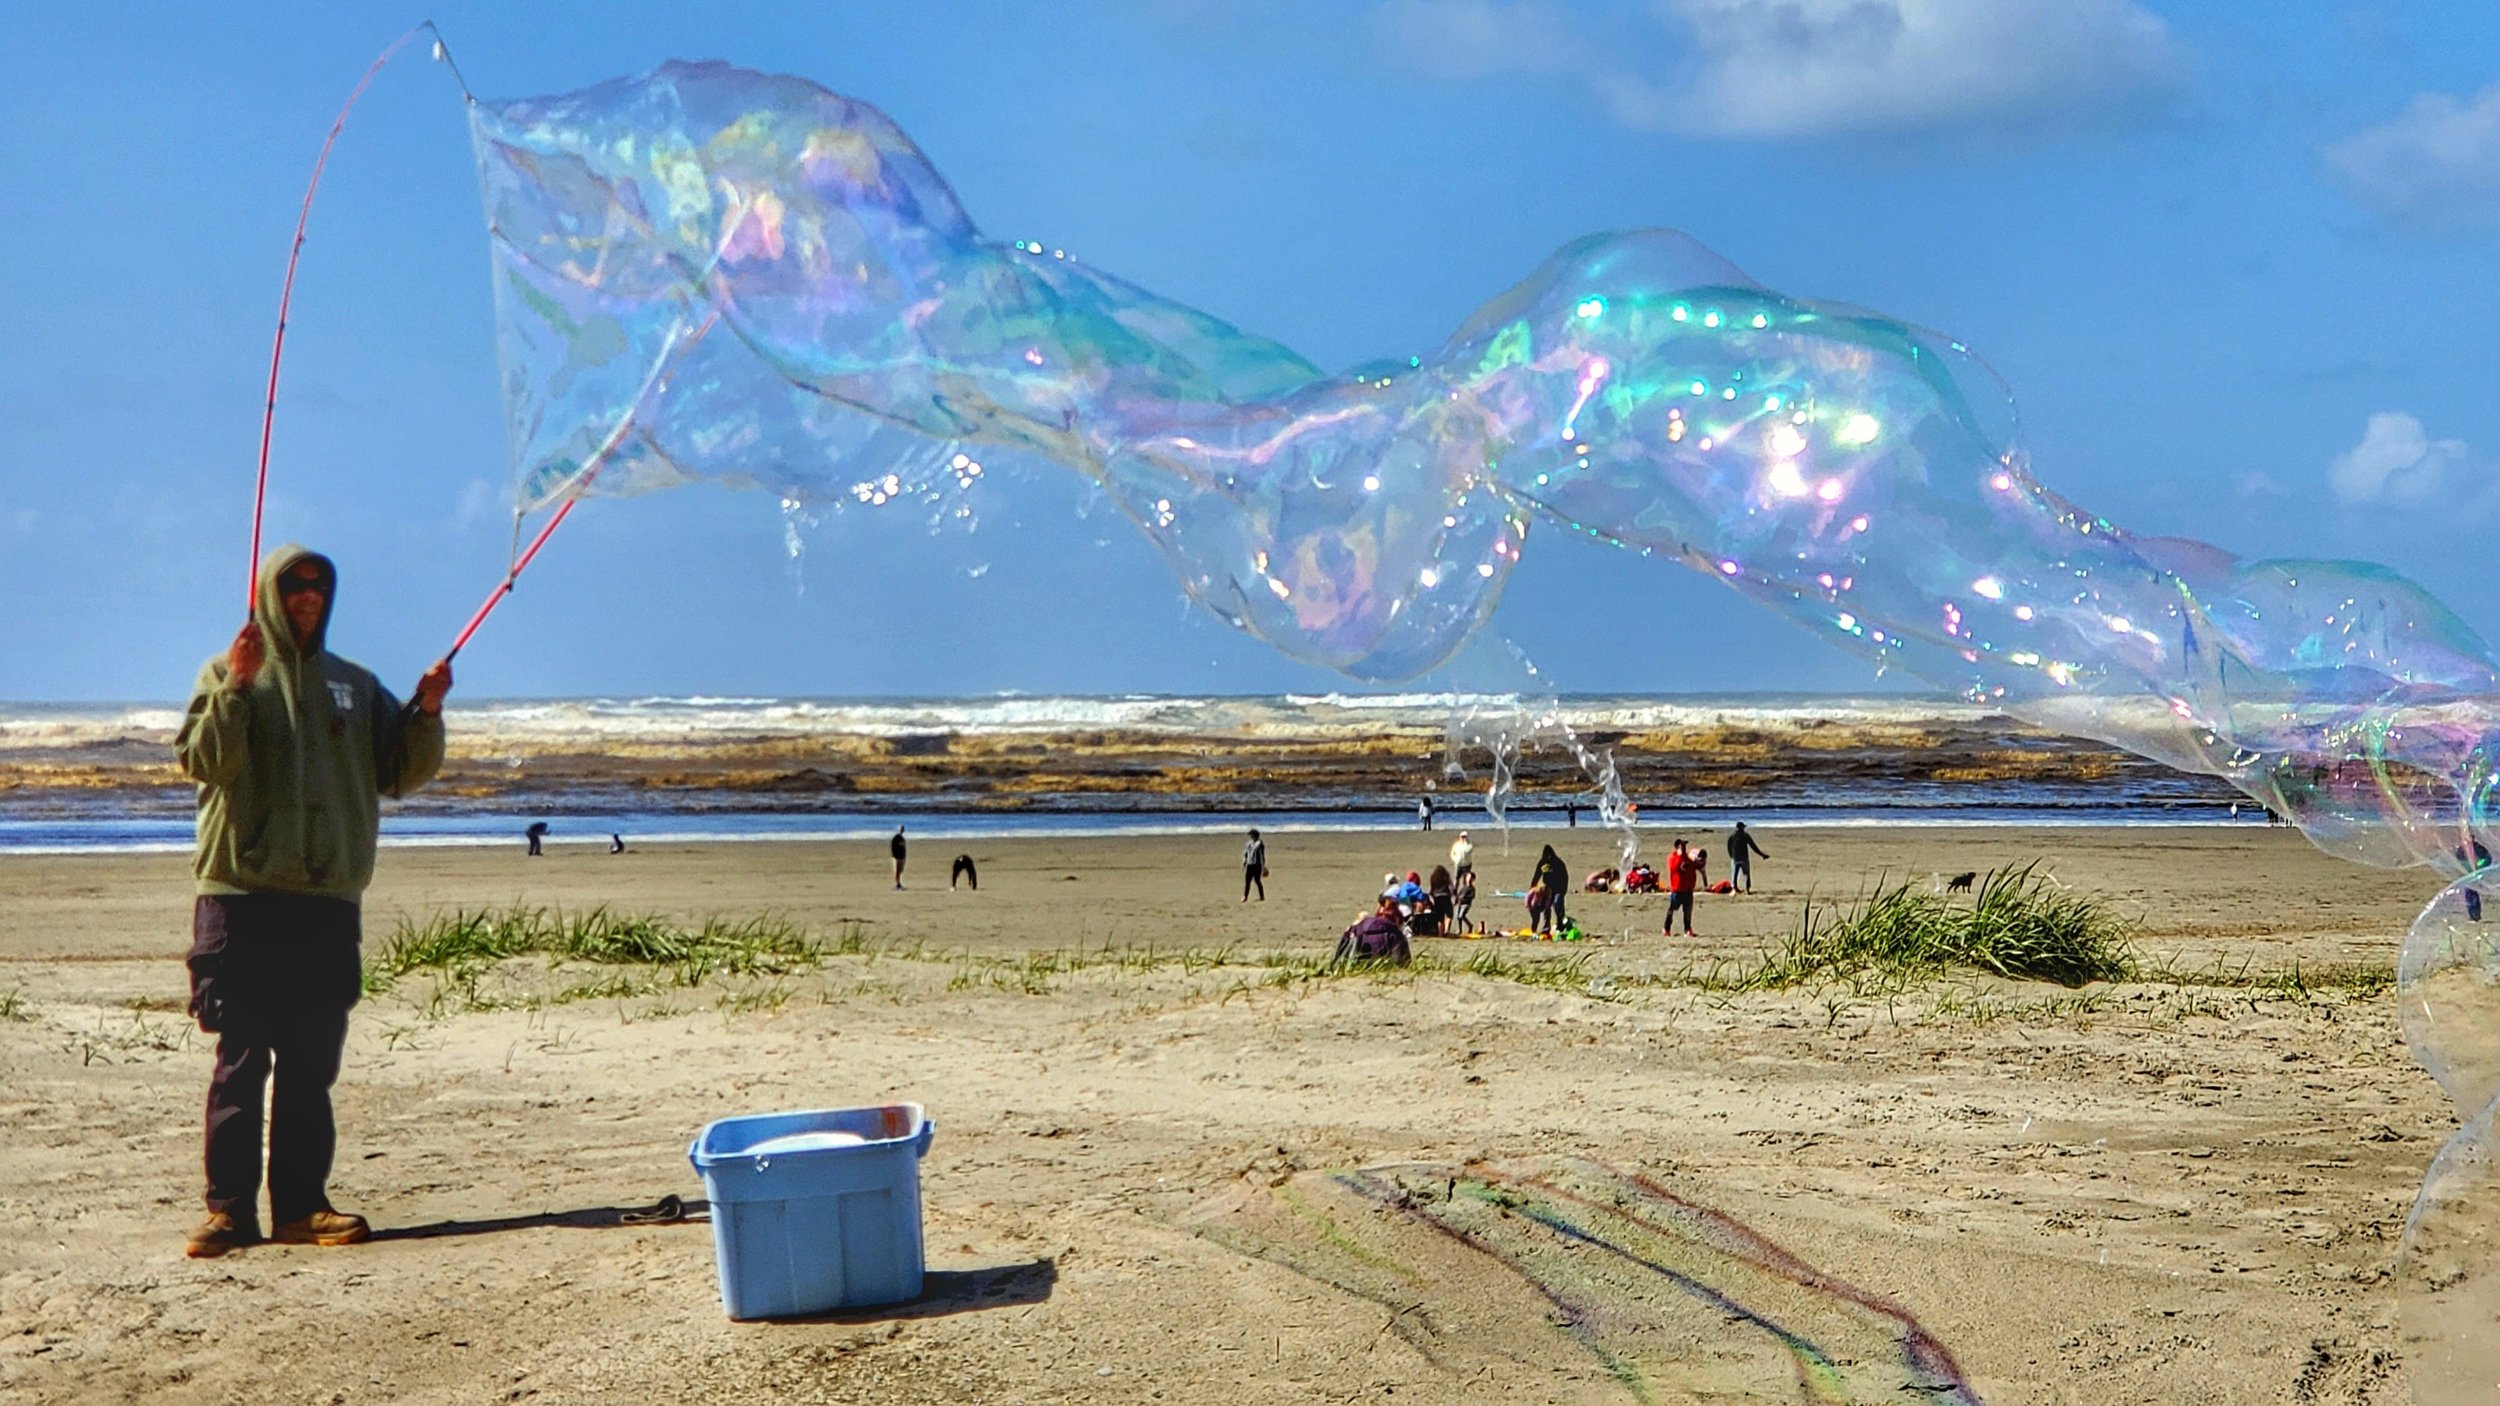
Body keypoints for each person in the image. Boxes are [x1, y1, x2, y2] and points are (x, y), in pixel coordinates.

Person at [174, 546, 450, 1259]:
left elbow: (399, 773)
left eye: (319, 584)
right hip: (241, 894)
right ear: (270, 592)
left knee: (308, 1065)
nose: (308, 595)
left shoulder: (353, 686)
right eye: (294, 584)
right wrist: (237, 688)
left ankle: (301, 1208)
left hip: (326, 900)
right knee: (240, 1062)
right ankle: (229, 1213)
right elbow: (205, 760)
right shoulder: (226, 671)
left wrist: (426, 712)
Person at [1335, 895, 1411, 965]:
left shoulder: (1356, 928)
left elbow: (1340, 954)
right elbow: (1402, 962)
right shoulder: (1395, 935)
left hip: (1354, 967)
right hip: (1381, 969)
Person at [1531, 845, 1569, 934]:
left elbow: (1565, 877)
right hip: (1548, 889)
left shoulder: (1558, 863)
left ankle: (1560, 925)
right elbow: (1537, 875)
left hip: (1559, 889)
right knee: (1546, 908)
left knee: (1557, 904)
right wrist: (1532, 887)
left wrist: (1563, 891)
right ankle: (1546, 928)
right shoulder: (1543, 863)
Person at [1663, 838, 1698, 936]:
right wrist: (1680, 858)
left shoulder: (1688, 857)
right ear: (1677, 847)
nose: (1683, 848)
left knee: (1687, 911)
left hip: (1688, 889)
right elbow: (1674, 868)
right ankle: (1666, 928)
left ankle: (1687, 929)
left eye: (1684, 846)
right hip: (1677, 889)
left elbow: (1694, 866)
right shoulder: (1672, 857)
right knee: (1672, 910)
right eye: (1681, 846)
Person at [1726, 822, 1769, 893]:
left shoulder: (1732, 837)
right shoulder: (1745, 836)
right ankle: (1747, 889)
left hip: (1735, 858)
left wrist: (1731, 856)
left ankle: (1734, 888)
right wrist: (1762, 855)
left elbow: (1729, 847)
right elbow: (1753, 846)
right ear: (1742, 828)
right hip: (1744, 858)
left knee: (1734, 874)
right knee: (1746, 874)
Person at [1422, 864, 1454, 937]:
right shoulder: (1446, 878)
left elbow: (1430, 891)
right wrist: (1454, 895)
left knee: (1440, 918)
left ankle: (1440, 933)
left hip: (1437, 898)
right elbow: (1451, 888)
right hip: (1446, 897)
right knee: (1449, 915)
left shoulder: (1433, 879)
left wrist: (1433, 897)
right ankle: (1446, 931)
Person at [1242, 828, 1267, 903]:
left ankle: (1262, 896)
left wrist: (1263, 866)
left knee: (1257, 880)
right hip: (1250, 864)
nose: (1250, 836)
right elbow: (1246, 853)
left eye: (1251, 834)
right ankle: (1245, 896)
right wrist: (1244, 861)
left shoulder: (1260, 844)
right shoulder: (1248, 844)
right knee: (1247, 881)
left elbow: (1262, 855)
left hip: (1257, 865)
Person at [1452, 867, 1477, 934]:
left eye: (1470, 877)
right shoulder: (1463, 887)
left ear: (1473, 879)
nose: (1468, 879)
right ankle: (1460, 930)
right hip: (1460, 904)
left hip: (1466, 904)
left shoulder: (1472, 888)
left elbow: (1472, 896)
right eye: (1468, 877)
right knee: (1458, 917)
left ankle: (1470, 925)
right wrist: (1456, 901)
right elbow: (1459, 895)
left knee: (1461, 916)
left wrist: (1464, 898)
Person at [890, 825, 907, 889]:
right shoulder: (896, 838)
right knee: (897, 871)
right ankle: (897, 884)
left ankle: (899, 883)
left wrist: (904, 856)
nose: (902, 830)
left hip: (902, 857)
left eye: (902, 829)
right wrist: (895, 856)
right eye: (900, 829)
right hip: (897, 857)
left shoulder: (902, 838)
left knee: (901, 871)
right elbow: (893, 847)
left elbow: (904, 848)